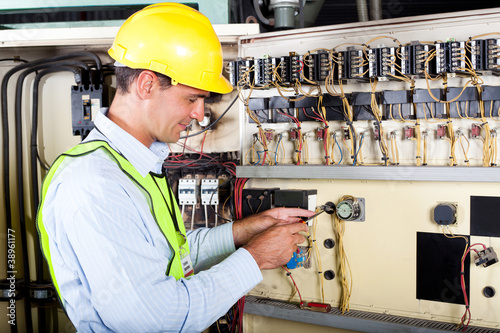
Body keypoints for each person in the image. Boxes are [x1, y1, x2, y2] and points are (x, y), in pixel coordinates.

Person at [37, 3, 313, 332]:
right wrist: (256, 257)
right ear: (146, 84)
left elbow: (170, 259)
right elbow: (155, 318)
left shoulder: (133, 166)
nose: (200, 113)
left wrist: (243, 232)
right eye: (191, 98)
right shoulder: (94, 183)